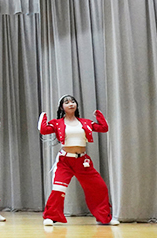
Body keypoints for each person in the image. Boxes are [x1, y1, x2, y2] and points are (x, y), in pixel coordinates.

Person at [38, 95, 117, 226]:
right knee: (58, 189)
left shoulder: (85, 123)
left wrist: (99, 115)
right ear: (62, 107)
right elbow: (44, 130)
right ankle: (50, 216)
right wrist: (43, 117)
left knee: (100, 187)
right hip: (65, 161)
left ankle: (104, 217)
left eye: (73, 102)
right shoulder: (57, 123)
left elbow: (103, 128)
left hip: (83, 161)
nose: (71, 104)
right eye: (67, 102)